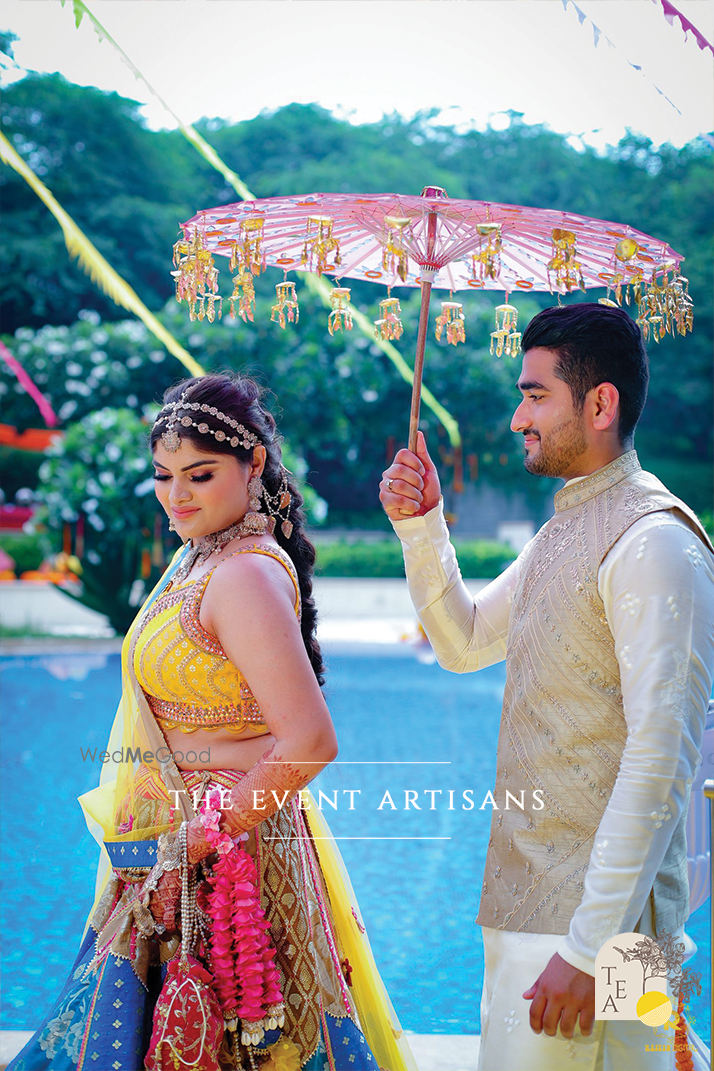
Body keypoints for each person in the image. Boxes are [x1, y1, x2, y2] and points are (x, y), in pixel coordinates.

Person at [10, 373, 417, 1071]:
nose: (178, 495)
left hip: (232, 858)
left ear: (253, 464)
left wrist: (200, 837)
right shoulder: (202, 559)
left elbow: (311, 741)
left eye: (199, 474)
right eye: (165, 476)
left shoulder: (243, 575)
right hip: (179, 846)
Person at [379, 303, 714, 1071]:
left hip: (608, 933)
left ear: (601, 404)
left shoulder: (654, 540)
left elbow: (663, 759)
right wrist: (423, 527)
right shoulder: (569, 528)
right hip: (536, 909)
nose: (514, 417)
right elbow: (463, 643)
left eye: (535, 395)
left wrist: (591, 949)